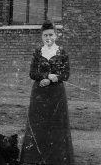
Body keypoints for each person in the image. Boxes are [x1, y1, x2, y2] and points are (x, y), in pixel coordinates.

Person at [20, 21, 74, 165]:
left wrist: (54, 79)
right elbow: (32, 73)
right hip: (40, 93)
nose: (48, 38)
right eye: (45, 35)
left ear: (56, 36)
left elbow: (66, 74)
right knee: (38, 125)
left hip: (56, 93)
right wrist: (45, 77)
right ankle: (35, 159)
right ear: (42, 37)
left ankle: (56, 159)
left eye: (51, 35)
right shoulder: (38, 52)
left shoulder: (62, 52)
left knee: (56, 124)